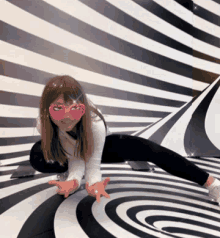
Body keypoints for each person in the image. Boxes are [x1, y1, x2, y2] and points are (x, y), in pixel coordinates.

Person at [30, 75, 220, 204]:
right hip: (70, 152)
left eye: (74, 109)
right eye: (58, 109)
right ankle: (63, 174)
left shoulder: (94, 121)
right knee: (38, 154)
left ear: (82, 108)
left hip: (101, 145)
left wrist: (93, 182)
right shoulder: (43, 123)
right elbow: (75, 156)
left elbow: (92, 163)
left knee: (148, 148)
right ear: (47, 108)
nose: (67, 117)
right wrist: (73, 181)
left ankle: (212, 184)